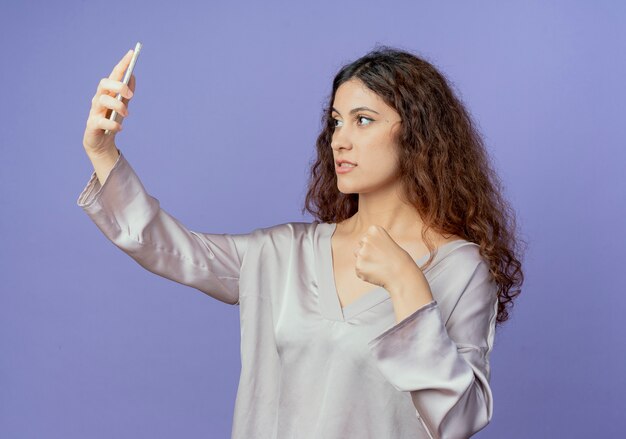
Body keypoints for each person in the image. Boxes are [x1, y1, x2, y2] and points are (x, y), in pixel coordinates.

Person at [77, 45, 525, 439]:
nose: (340, 140)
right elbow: (167, 246)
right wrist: (104, 154)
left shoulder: (459, 268)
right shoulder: (284, 255)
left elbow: (459, 419)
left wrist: (407, 285)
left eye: (363, 120)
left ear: (418, 134)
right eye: (335, 122)